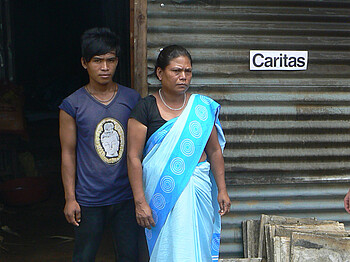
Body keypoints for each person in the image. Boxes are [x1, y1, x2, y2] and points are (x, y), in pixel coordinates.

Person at [127, 45, 231, 262]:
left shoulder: (201, 108)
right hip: (160, 195)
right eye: (176, 71)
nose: (183, 77)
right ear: (160, 73)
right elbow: (133, 157)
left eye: (188, 71)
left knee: (197, 247)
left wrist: (222, 190)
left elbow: (214, 151)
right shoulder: (145, 109)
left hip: (199, 189)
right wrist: (140, 202)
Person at [59, 27, 141, 262]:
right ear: (84, 63)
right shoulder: (72, 105)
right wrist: (70, 198)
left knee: (130, 255)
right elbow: (68, 153)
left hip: (126, 196)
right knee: (84, 256)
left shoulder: (131, 99)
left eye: (110, 60)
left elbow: (141, 148)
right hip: (89, 199)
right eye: (97, 61)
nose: (105, 67)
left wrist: (140, 196)